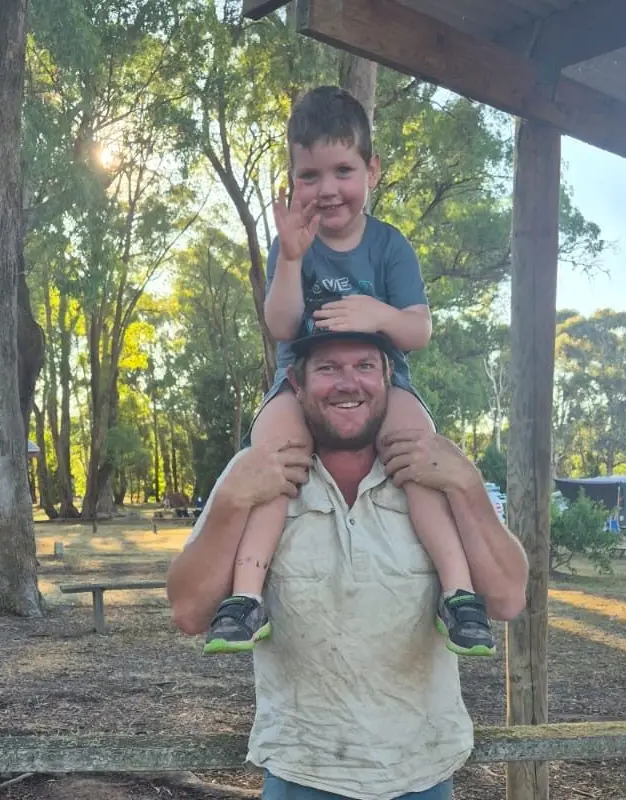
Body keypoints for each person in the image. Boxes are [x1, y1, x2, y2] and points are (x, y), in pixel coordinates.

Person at [166, 332, 529, 799]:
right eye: (328, 368)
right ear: (295, 383)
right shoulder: (257, 477)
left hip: (423, 772)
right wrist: (232, 500)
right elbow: (189, 612)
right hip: (301, 770)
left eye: (363, 366)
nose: (348, 383)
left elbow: (507, 598)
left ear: (388, 378)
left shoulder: (435, 474)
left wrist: (468, 484)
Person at [201, 85, 495, 658]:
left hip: (380, 383)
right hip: (301, 381)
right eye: (310, 176)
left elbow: (418, 330)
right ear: (292, 179)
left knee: (417, 454)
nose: (328, 189)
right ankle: (245, 597)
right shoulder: (294, 244)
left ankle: (460, 594)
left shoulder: (390, 247)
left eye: (343, 170)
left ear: (372, 170)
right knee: (273, 461)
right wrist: (289, 258)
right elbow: (282, 325)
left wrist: (377, 314)